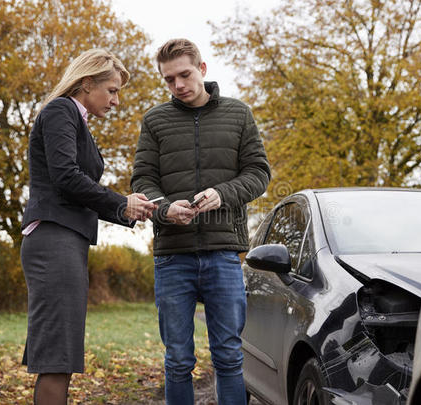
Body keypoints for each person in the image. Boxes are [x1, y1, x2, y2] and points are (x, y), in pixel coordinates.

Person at [131, 38, 271, 405]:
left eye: (185, 74)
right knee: (177, 360)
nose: (178, 85)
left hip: (223, 253)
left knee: (228, 356)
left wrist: (223, 193)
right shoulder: (155, 120)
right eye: (169, 79)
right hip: (172, 255)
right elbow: (143, 180)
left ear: (202, 69)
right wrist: (164, 208)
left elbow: (258, 173)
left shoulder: (238, 114)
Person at [20, 48, 157, 405]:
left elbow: (77, 188)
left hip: (66, 240)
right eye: (111, 90)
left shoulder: (75, 120)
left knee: (61, 354)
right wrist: (120, 202)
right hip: (53, 240)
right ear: (85, 83)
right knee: (56, 355)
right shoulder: (61, 110)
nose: (116, 100)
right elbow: (66, 177)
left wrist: (128, 210)